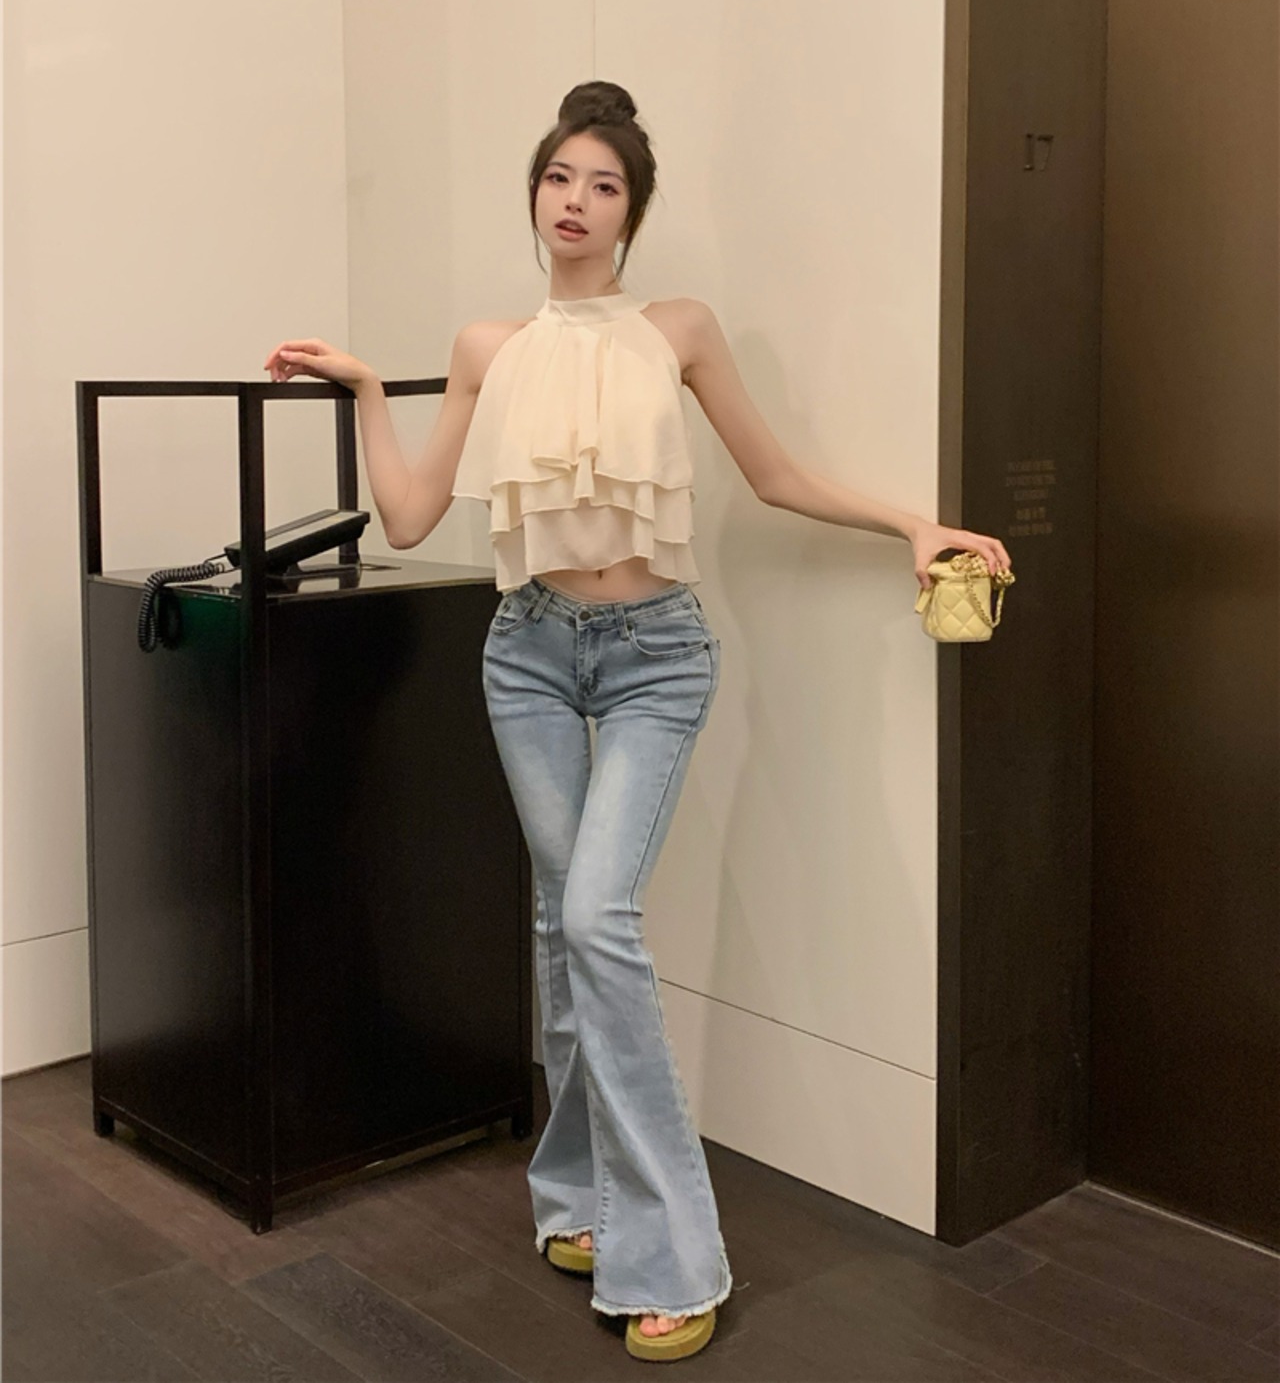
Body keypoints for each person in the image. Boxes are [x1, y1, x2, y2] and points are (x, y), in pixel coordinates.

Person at [264, 80, 1011, 1363]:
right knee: (562, 923)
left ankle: (667, 1253)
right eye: (559, 176)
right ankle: (573, 1200)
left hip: (657, 654)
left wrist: (910, 521)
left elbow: (773, 473)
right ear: (534, 193)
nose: (576, 200)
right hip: (526, 652)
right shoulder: (488, 345)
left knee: (595, 918)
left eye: (603, 184)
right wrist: (367, 390)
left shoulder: (677, 328)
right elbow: (409, 515)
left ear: (631, 213)